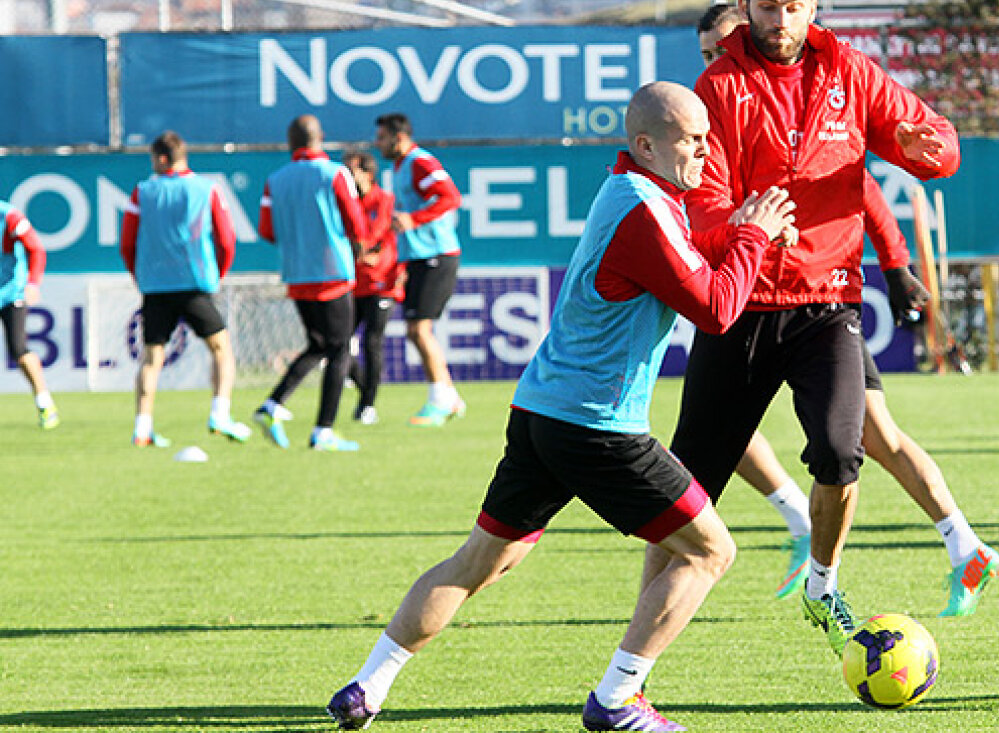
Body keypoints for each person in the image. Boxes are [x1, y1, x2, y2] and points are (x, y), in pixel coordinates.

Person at [326, 81, 795, 733]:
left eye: (707, 137)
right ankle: (617, 698)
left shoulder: (636, 193)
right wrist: (751, 239)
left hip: (542, 411)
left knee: (481, 561)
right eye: (692, 139)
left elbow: (684, 267)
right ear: (646, 145)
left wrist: (743, 233)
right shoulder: (645, 210)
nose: (705, 150)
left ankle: (366, 685)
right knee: (710, 551)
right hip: (596, 426)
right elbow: (716, 310)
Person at [661, 0, 982, 659]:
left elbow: (935, 144)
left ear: (814, 6)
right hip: (741, 302)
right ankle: (634, 660)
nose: (781, 20)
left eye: (794, 6)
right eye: (767, 6)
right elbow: (701, 201)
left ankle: (822, 580)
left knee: (842, 452)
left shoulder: (851, 72)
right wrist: (743, 227)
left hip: (828, 300)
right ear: (746, 6)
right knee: (685, 491)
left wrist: (926, 147)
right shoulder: (718, 86)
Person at [119, 131, 248, 447]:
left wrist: (138, 275)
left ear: (163, 159)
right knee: (221, 349)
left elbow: (127, 242)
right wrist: (218, 273)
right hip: (194, 284)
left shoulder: (142, 192)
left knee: (152, 358)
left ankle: (142, 427)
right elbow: (227, 239)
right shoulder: (207, 189)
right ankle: (219, 413)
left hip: (155, 287)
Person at [254, 114, 367, 452]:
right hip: (332, 273)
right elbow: (355, 222)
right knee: (340, 349)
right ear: (322, 137)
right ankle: (323, 430)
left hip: (297, 273)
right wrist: (356, 246)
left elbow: (267, 230)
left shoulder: (275, 180)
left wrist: (298, 240)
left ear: (291, 142)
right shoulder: (335, 173)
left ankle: (273, 404)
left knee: (319, 345)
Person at [374, 113, 466, 427]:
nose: (377, 143)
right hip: (420, 257)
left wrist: (415, 219)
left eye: (382, 137)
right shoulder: (400, 166)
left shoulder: (420, 162)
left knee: (418, 329)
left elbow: (451, 197)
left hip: (437, 255)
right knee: (417, 329)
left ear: (399, 137)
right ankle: (449, 397)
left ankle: (441, 399)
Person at [342, 149, 402, 426]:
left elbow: (375, 234)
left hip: (381, 281)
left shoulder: (384, 199)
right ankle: (365, 388)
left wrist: (362, 249)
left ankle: (367, 405)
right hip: (353, 282)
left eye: (351, 170)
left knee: (371, 341)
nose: (346, 175)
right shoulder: (345, 201)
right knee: (339, 342)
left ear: (367, 173)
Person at [1, 199, 59, 429]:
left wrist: (33, 283)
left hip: (11, 293)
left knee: (18, 350)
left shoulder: (9, 217)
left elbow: (36, 249)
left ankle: (44, 403)